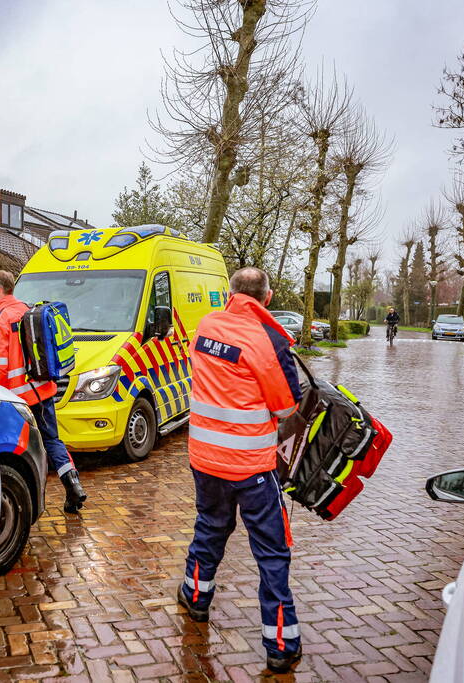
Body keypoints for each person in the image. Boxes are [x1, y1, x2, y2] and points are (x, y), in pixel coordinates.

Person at [176, 267, 303, 674]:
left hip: (205, 458)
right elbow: (287, 408)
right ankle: (280, 643)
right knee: (271, 550)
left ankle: (196, 598)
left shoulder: (206, 325)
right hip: (251, 465)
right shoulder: (270, 340)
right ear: (267, 298)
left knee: (210, 526)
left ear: (230, 292)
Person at [0, 270, 87, 513]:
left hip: (18, 398)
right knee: (52, 440)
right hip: (44, 389)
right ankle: (74, 485)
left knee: (17, 447)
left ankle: (17, 501)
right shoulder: (28, 311)